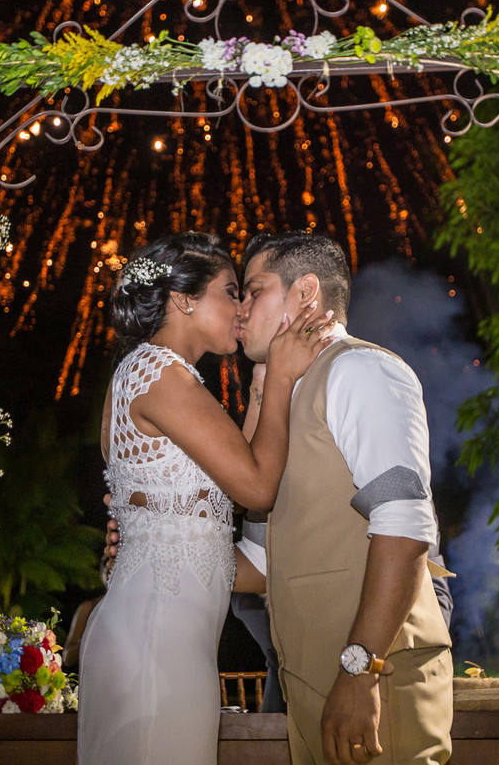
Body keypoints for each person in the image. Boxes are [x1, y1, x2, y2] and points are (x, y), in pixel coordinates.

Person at [76, 233, 332, 765]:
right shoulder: (159, 373)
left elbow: (232, 485)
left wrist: (263, 370)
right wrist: (282, 374)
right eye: (231, 291)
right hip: (156, 642)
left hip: (167, 638)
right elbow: (258, 485)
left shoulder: (162, 374)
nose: (242, 308)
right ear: (183, 300)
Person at [236, 233, 454, 765]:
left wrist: (360, 671)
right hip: (313, 684)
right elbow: (266, 563)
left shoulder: (360, 369)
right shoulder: (291, 398)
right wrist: (155, 552)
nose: (238, 309)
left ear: (306, 291)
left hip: (375, 680)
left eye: (252, 291)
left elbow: (404, 528)